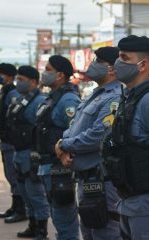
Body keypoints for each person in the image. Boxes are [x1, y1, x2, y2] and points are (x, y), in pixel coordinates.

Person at [102, 35, 149, 240]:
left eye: (124, 58)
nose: (117, 63)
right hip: (129, 201)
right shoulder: (130, 98)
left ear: (142, 65)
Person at [55, 46, 122, 240]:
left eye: (97, 61)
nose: (92, 64)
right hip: (86, 180)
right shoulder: (95, 94)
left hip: (102, 180)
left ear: (111, 69)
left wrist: (63, 146)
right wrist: (62, 145)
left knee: (106, 231)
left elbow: (98, 135)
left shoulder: (114, 97)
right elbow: (74, 126)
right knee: (89, 232)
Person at [35, 55, 81, 240]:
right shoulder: (52, 98)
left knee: (65, 220)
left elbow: (75, 132)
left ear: (60, 75)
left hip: (59, 169)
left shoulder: (68, 100)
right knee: (58, 216)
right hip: (48, 166)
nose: (44, 73)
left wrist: (64, 154)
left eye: (48, 69)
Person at [6, 66, 50, 239]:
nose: (18, 82)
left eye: (22, 79)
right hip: (18, 152)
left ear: (33, 81)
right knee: (25, 192)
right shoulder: (21, 100)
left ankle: (41, 229)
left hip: (30, 154)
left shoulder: (39, 101)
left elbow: (40, 130)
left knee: (36, 194)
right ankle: (32, 225)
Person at [0, 63, 27, 223]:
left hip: (11, 142)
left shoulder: (13, 92)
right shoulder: (5, 90)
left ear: (9, 76)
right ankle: (15, 206)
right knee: (9, 175)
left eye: (1, 73)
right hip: (5, 140)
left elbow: (14, 117)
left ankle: (21, 209)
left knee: (14, 176)